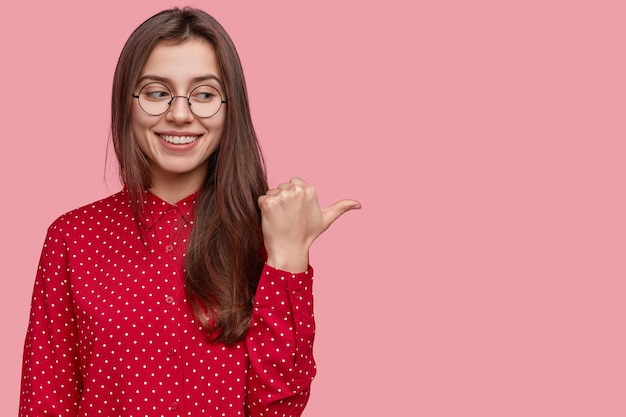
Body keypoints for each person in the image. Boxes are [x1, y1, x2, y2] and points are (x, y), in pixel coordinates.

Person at [19, 7, 360, 417]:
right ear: (127, 102)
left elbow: (278, 409)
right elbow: (44, 401)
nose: (180, 114)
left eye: (204, 94)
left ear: (230, 107)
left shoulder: (265, 233)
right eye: (157, 92)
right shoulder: (73, 237)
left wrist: (288, 256)